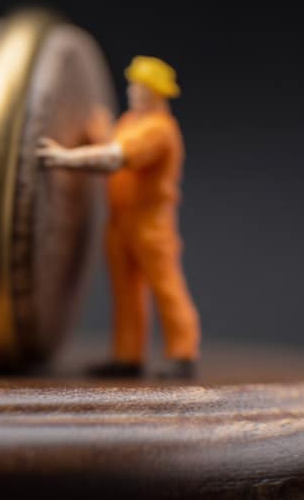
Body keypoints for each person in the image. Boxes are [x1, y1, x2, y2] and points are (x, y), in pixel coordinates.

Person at [37, 56, 199, 379]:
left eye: (143, 88)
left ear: (159, 93)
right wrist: (101, 133)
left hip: (150, 223)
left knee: (165, 286)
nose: (135, 92)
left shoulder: (159, 131)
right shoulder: (131, 121)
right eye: (134, 85)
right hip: (121, 221)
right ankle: (128, 357)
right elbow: (114, 143)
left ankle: (183, 353)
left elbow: (115, 158)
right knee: (126, 290)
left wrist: (64, 158)